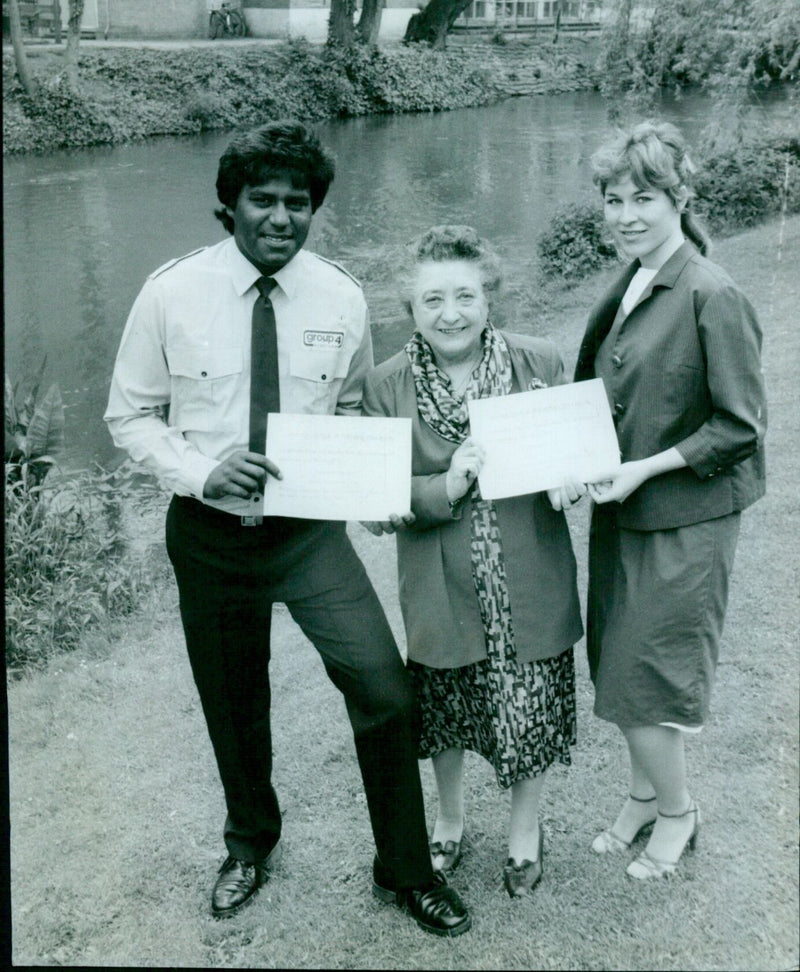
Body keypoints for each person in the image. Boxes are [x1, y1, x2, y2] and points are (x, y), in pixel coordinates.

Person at [104, 121, 471, 936]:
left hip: (307, 536)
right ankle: (249, 846)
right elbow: (129, 414)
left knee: (381, 685)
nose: (280, 217)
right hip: (208, 533)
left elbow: (344, 411)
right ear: (226, 208)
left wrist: (362, 479)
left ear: (315, 211)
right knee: (234, 701)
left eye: (297, 203)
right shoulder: (171, 292)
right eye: (262, 200)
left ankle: (405, 870)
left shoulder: (339, 295)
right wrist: (201, 470)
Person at [361, 225, 583, 897]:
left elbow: (572, 457)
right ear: (410, 309)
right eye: (432, 300)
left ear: (489, 297)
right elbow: (373, 507)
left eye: (464, 295)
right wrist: (443, 486)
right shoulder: (384, 387)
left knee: (530, 711)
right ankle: (450, 820)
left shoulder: (540, 361)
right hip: (440, 588)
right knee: (446, 715)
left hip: (529, 582)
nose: (450, 313)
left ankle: (524, 833)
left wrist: (570, 476)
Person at [572, 120, 766, 879]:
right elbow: (606, 389)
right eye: (613, 199)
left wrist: (644, 469)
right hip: (625, 510)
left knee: (643, 676)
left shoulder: (712, 293)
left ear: (680, 199)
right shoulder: (631, 282)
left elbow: (739, 428)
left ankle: (679, 812)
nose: (625, 215)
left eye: (643, 198)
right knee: (619, 665)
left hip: (684, 520)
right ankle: (644, 798)